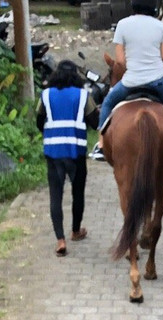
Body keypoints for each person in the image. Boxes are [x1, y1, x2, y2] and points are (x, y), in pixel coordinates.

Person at [92, 0, 163, 160]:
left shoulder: (122, 24)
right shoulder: (159, 26)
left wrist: (134, 66)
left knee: (107, 104)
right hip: (158, 82)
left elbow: (119, 61)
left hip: (131, 82)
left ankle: (101, 146)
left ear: (133, 6)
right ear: (153, 7)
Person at [37, 60, 100, 256]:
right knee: (77, 192)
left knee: (55, 196)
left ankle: (60, 239)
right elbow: (94, 122)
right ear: (75, 76)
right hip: (76, 152)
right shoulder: (83, 96)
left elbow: (39, 121)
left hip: (53, 152)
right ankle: (75, 230)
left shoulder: (46, 95)